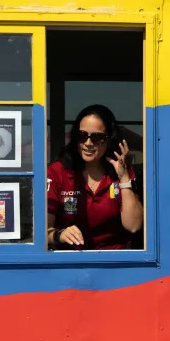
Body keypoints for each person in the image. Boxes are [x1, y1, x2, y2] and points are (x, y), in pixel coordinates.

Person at [47, 104, 143, 250]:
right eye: (82, 135)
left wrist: (124, 178)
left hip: (115, 261)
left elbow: (134, 226)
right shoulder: (57, 171)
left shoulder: (121, 170)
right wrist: (60, 234)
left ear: (110, 139)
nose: (88, 143)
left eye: (97, 137)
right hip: (70, 262)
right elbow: (43, 232)